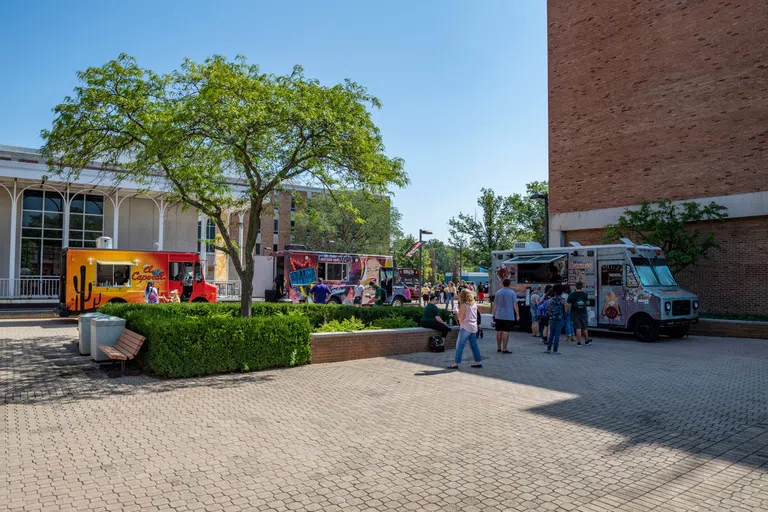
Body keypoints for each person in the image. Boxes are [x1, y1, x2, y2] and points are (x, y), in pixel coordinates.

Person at [448, 289, 482, 369]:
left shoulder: (464, 305)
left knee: (459, 346)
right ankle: (478, 362)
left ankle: (456, 363)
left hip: (465, 327)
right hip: (473, 327)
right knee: (474, 345)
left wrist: (456, 312)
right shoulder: (474, 304)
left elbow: (460, 318)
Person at [492, 278, 519, 354]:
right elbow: (515, 304)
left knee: (498, 331)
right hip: (508, 315)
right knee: (506, 332)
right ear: (509, 284)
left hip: (499, 314)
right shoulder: (512, 293)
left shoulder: (498, 292)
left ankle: (498, 348)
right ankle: (504, 348)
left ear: (503, 284)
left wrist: (493, 313)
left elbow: (495, 304)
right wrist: (517, 314)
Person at [546, 284, 569, 354]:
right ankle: (555, 350)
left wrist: (551, 315)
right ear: (562, 292)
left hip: (552, 318)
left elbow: (549, 310)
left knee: (551, 334)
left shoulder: (551, 300)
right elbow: (565, 311)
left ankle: (548, 349)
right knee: (557, 335)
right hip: (560, 319)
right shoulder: (563, 301)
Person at [568, 281, 592, 346]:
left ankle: (579, 343)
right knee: (584, 327)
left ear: (575, 286)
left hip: (574, 312)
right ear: (582, 286)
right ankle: (587, 341)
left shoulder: (571, 294)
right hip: (583, 312)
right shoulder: (585, 294)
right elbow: (588, 303)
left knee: (578, 327)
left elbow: (569, 305)